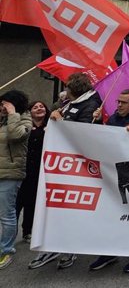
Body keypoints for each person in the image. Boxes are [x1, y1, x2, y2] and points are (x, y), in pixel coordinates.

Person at [34, 73, 100, 270]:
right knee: (54, 206)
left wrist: (61, 121)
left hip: (75, 167)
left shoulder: (89, 105)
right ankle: (52, 246)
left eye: (67, 87)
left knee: (70, 208)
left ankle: (68, 249)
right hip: (59, 164)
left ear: (75, 89)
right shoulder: (70, 103)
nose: (65, 89)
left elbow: (83, 133)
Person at [88, 90, 129, 274]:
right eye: (118, 102)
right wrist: (98, 121)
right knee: (112, 214)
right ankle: (109, 251)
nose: (119, 105)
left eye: (124, 102)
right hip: (116, 173)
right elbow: (106, 138)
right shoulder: (114, 118)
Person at [0, 90, 31, 270]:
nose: (2, 107)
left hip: (10, 174)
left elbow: (15, 135)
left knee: (6, 215)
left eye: (5, 104)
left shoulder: (24, 119)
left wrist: (13, 114)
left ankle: (7, 251)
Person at [15, 101, 48, 243]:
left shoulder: (51, 127)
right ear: (30, 112)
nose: (39, 108)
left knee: (32, 202)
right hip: (22, 168)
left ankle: (27, 231)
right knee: (16, 203)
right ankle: (10, 234)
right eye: (35, 107)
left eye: (41, 106)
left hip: (39, 170)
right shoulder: (24, 126)